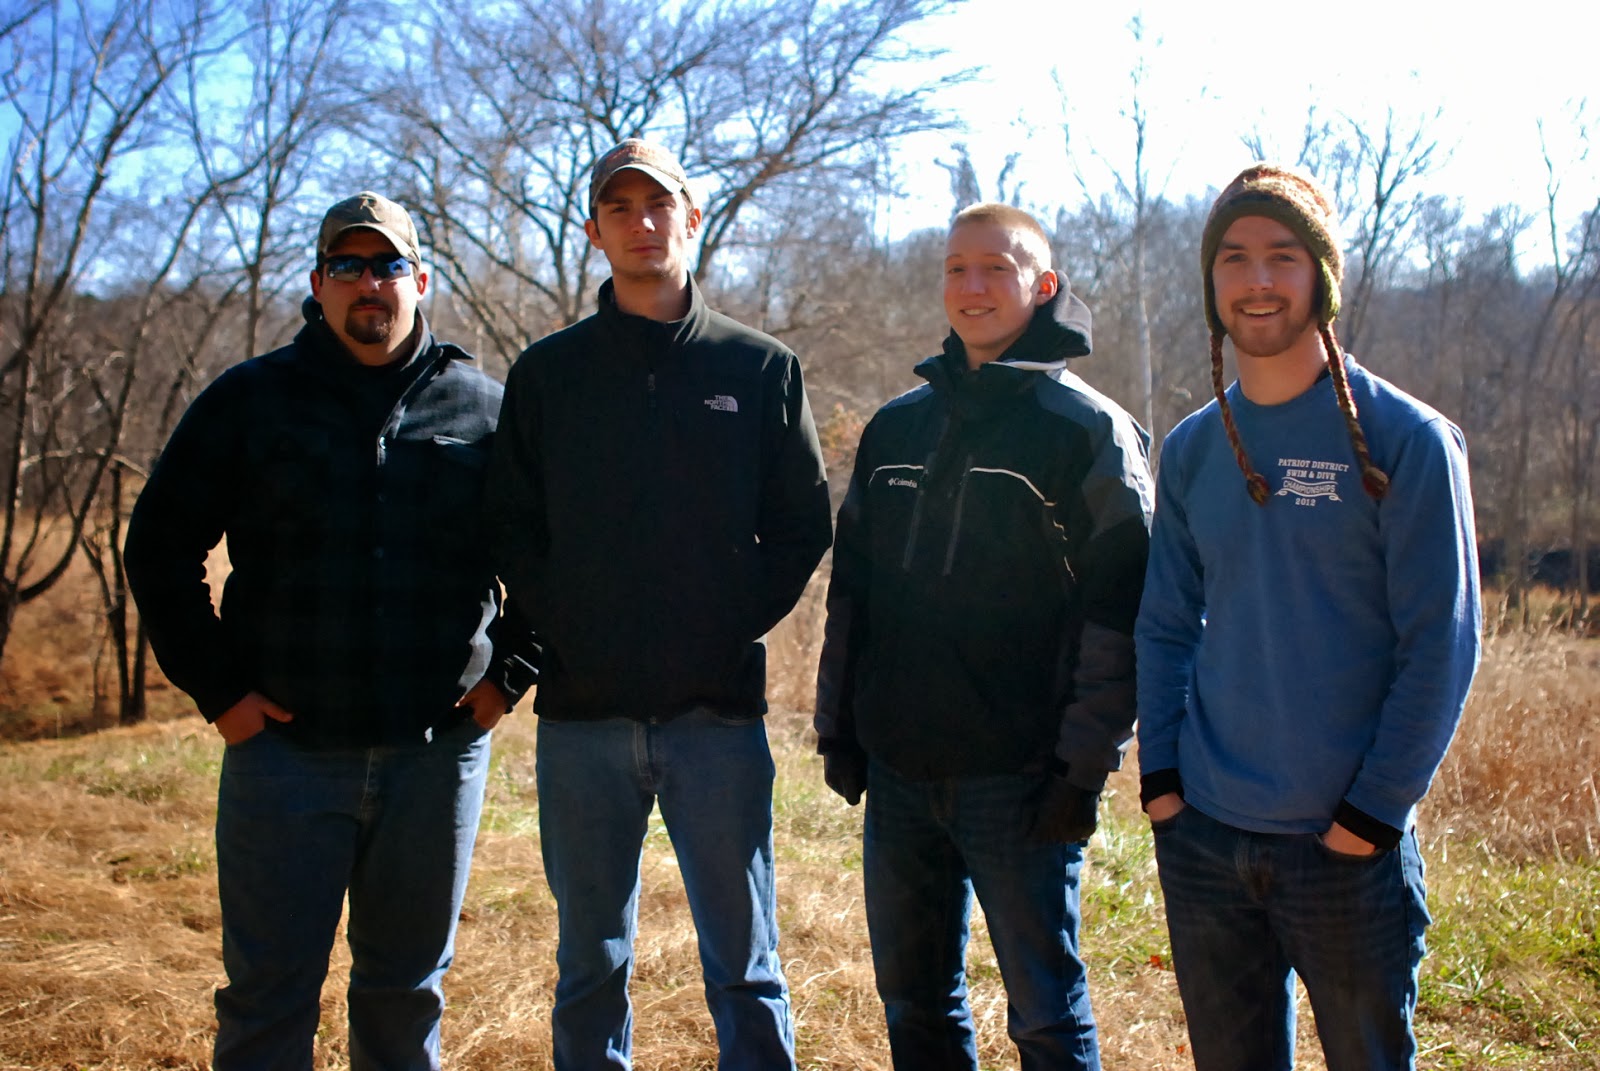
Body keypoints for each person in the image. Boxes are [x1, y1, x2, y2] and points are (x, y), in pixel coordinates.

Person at [124, 192, 536, 1071]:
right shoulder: (250, 400)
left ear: (421, 280)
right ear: (318, 284)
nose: (368, 283)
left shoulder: (485, 409)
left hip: (435, 759)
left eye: (387, 265)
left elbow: (550, 557)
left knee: (406, 992)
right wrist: (221, 691)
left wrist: (508, 676)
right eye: (346, 265)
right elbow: (158, 547)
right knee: (268, 996)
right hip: (285, 756)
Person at [484, 137, 832, 1071]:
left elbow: (802, 524)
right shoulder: (548, 375)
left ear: (692, 216)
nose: (642, 223)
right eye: (620, 208)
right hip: (583, 719)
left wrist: (723, 623)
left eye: (659, 204)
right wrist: (571, 627)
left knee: (745, 964)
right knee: (589, 965)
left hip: (717, 717)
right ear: (593, 231)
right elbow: (511, 526)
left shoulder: (758, 367)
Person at [1135, 164, 1482, 1070]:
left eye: (1282, 255)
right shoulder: (1195, 446)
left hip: (1344, 848)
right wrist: (1164, 781)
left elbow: (1441, 648)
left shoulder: (1406, 440)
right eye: (1234, 257)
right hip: (1206, 834)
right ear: (1211, 282)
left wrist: (1369, 817)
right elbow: (1165, 622)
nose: (1257, 280)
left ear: (1322, 276)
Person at [814, 202, 1154, 1071]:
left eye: (997, 268)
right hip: (900, 768)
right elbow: (853, 592)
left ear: (1042, 286)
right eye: (957, 268)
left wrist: (1081, 768)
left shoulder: (1087, 430)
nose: (973, 286)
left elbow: (1121, 613)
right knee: (915, 1000)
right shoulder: (898, 426)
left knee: (1044, 1013)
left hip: (1021, 776)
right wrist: (840, 726)